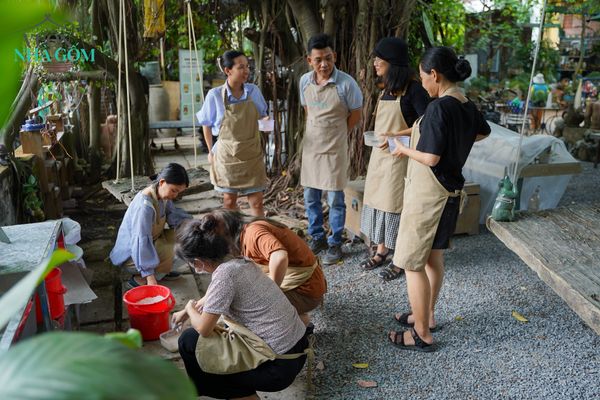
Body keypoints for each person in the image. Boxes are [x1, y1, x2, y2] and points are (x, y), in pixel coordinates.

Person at [387, 47, 490, 351]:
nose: (422, 84)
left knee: (411, 263)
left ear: (434, 74)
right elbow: (482, 132)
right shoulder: (466, 104)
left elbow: (431, 157)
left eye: (423, 78)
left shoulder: (438, 107)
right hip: (451, 194)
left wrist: (403, 149)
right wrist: (457, 143)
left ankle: (421, 333)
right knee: (433, 258)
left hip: (429, 197)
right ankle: (427, 316)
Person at [173, 216, 309, 400]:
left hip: (277, 367)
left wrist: (189, 307)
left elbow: (204, 329)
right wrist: (188, 309)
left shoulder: (224, 276)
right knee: (214, 331)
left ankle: (230, 392)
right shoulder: (240, 261)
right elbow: (213, 296)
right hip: (298, 350)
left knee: (190, 341)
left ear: (198, 262)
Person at [359, 37, 429, 279]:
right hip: (381, 157)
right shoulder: (387, 89)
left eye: (380, 59)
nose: (375, 63)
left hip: (402, 159)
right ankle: (382, 251)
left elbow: (426, 124)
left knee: (396, 207)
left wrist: (397, 134)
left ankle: (400, 259)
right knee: (380, 204)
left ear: (393, 62)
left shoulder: (414, 90)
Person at [198, 209, 326, 325]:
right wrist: (206, 299)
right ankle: (295, 319)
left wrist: (270, 292)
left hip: (306, 291)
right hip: (306, 285)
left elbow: (280, 257)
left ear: (226, 234)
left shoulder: (253, 233)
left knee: (242, 307)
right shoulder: (245, 231)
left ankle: (300, 324)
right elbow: (229, 278)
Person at [300, 33, 363, 264]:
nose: (324, 64)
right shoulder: (304, 82)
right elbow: (308, 110)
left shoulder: (346, 84)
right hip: (311, 148)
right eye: (318, 60)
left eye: (328, 58)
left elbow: (356, 114)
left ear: (334, 56)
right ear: (309, 60)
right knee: (311, 197)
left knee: (336, 198)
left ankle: (335, 242)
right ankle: (317, 237)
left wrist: (337, 133)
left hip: (335, 148)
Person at [197, 50, 269, 216]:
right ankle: (234, 232)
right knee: (229, 202)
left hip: (251, 154)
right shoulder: (215, 95)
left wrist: (266, 124)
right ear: (228, 70)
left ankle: (258, 232)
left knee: (257, 202)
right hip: (227, 156)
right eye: (241, 67)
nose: (246, 71)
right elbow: (206, 124)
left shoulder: (253, 91)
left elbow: (263, 116)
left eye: (247, 67)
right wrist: (210, 151)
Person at [109, 163, 191, 287]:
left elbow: (174, 217)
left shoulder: (162, 195)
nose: (175, 195)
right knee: (185, 250)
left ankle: (162, 270)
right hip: (132, 256)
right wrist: (149, 276)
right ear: (162, 182)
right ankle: (142, 279)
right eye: (174, 190)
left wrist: (195, 228)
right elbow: (140, 242)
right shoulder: (144, 207)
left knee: (191, 241)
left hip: (152, 242)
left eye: (178, 192)